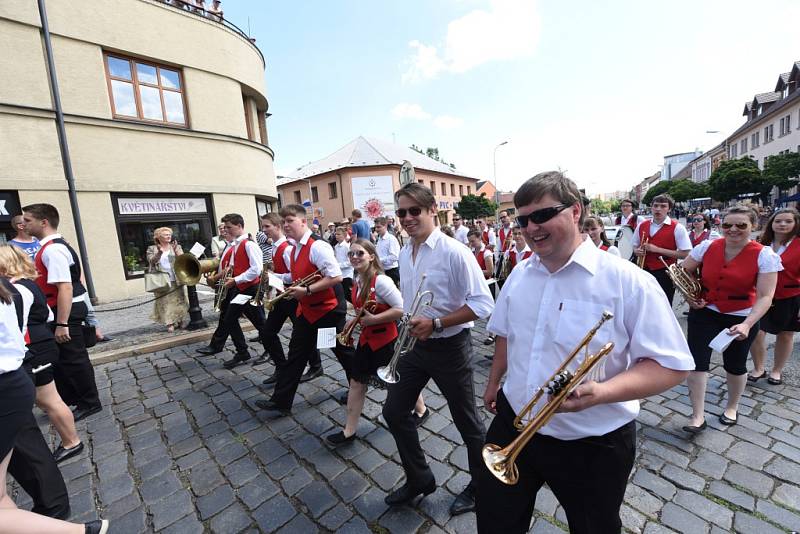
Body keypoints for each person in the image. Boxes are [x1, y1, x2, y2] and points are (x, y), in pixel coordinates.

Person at [478, 171, 693, 534]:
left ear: (575, 211)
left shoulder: (629, 281)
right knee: (496, 522)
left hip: (593, 442)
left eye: (543, 215)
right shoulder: (519, 274)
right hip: (515, 422)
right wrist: (493, 381)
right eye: (523, 219)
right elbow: (505, 334)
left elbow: (671, 366)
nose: (531, 228)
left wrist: (603, 393)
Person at [382, 183, 494, 516]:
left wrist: (438, 323)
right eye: (401, 212)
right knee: (393, 412)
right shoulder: (405, 251)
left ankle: (482, 486)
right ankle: (420, 480)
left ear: (433, 210)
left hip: (449, 347)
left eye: (414, 210)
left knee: (467, 422)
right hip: (416, 346)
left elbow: (483, 303)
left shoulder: (454, 251)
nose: (407, 217)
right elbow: (410, 298)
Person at [0, 280, 109, 534]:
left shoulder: (27, 280)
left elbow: (65, 293)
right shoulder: (12, 287)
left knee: (54, 401)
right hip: (16, 375)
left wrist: (61, 325)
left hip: (16, 374)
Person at [680, 205, 780, 432]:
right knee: (697, 363)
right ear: (720, 225)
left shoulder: (765, 255)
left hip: (741, 316)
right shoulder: (706, 247)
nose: (733, 229)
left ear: (753, 227)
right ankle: (697, 416)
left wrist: (747, 324)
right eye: (727, 225)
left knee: (735, 365)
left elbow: (766, 296)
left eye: (741, 225)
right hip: (705, 313)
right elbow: (684, 271)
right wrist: (690, 297)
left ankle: (732, 407)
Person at [255, 204, 355, 416]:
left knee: (343, 353)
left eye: (290, 220)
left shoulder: (317, 246)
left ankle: (358, 388)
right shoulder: (296, 248)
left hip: (328, 311)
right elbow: (295, 275)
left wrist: (307, 290)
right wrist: (278, 279)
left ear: (303, 221)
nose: (286, 225)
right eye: (283, 222)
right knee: (296, 355)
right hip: (308, 311)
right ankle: (281, 401)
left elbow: (336, 276)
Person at [0, 246, 82, 463]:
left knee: (49, 401)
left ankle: (71, 442)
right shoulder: (27, 284)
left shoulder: (17, 289)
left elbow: (16, 326)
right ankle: (71, 441)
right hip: (41, 343)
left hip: (36, 348)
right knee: (49, 400)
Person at [22, 203, 101, 422]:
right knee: (66, 359)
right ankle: (75, 398)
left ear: (43, 222)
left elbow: (64, 287)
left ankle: (89, 402)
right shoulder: (50, 246)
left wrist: (62, 323)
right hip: (61, 309)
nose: (24, 224)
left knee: (74, 359)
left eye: (28, 220)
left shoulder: (53, 249)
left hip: (65, 310)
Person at [324, 239, 404, 445]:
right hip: (367, 340)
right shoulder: (357, 279)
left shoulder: (383, 282)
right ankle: (349, 431)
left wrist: (374, 319)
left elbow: (402, 309)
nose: (354, 257)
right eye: (351, 254)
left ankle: (420, 409)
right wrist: (355, 320)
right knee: (356, 383)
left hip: (386, 340)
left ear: (371, 256)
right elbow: (364, 308)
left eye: (360, 253)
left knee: (397, 384)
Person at [195, 214, 271, 369]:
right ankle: (242, 352)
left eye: (229, 227)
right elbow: (232, 267)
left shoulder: (249, 244)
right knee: (229, 319)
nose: (226, 230)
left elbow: (256, 269)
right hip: (240, 289)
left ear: (239, 226)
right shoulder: (235, 245)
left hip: (251, 289)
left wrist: (236, 280)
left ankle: (271, 350)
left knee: (260, 322)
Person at [749, 208, 800, 385]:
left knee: (785, 335)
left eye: (788, 221)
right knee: (756, 332)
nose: (783, 224)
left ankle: (777, 370)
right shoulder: (761, 242)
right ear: (772, 223)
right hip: (761, 295)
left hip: (790, 296)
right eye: (778, 221)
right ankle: (759, 368)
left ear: (795, 224)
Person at [632, 194, 692, 305]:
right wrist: (636, 251)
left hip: (665, 272)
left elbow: (686, 254)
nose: (658, 209)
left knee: (663, 305)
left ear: (669, 209)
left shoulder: (678, 227)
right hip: (643, 270)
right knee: (643, 304)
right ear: (651, 207)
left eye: (663, 206)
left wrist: (657, 249)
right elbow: (634, 245)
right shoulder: (642, 225)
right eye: (656, 206)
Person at [146, 227, 188, 333]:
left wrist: (175, 250)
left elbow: (183, 259)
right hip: (161, 280)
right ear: (158, 237)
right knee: (165, 302)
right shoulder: (152, 248)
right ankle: (169, 322)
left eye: (169, 234)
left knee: (180, 300)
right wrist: (159, 252)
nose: (169, 236)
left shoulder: (176, 246)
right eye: (165, 235)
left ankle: (181, 320)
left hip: (176, 278)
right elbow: (152, 261)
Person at [374, 217, 401, 287]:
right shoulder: (379, 239)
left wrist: (379, 260)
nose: (376, 229)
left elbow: (394, 257)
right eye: (375, 227)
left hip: (391, 271)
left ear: (385, 226)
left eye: (379, 227)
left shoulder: (391, 239)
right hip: (381, 271)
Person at [333, 227, 354, 303]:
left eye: (339, 234)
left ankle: (358, 307)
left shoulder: (347, 247)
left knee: (347, 294)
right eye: (336, 234)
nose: (336, 236)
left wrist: (339, 265)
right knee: (341, 294)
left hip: (347, 274)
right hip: (340, 274)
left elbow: (351, 262)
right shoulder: (336, 246)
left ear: (344, 235)